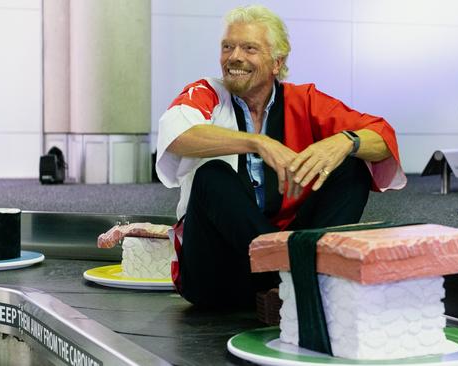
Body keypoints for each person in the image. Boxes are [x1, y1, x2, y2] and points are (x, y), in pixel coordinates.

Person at [156, 5, 406, 309]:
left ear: (278, 63)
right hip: (217, 271)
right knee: (212, 176)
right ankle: (299, 282)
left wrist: (345, 142)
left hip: (282, 261)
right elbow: (179, 136)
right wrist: (257, 143)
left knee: (351, 164)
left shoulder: (304, 100)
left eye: (249, 48)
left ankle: (296, 282)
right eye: (227, 47)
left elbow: (382, 137)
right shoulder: (206, 92)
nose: (234, 57)